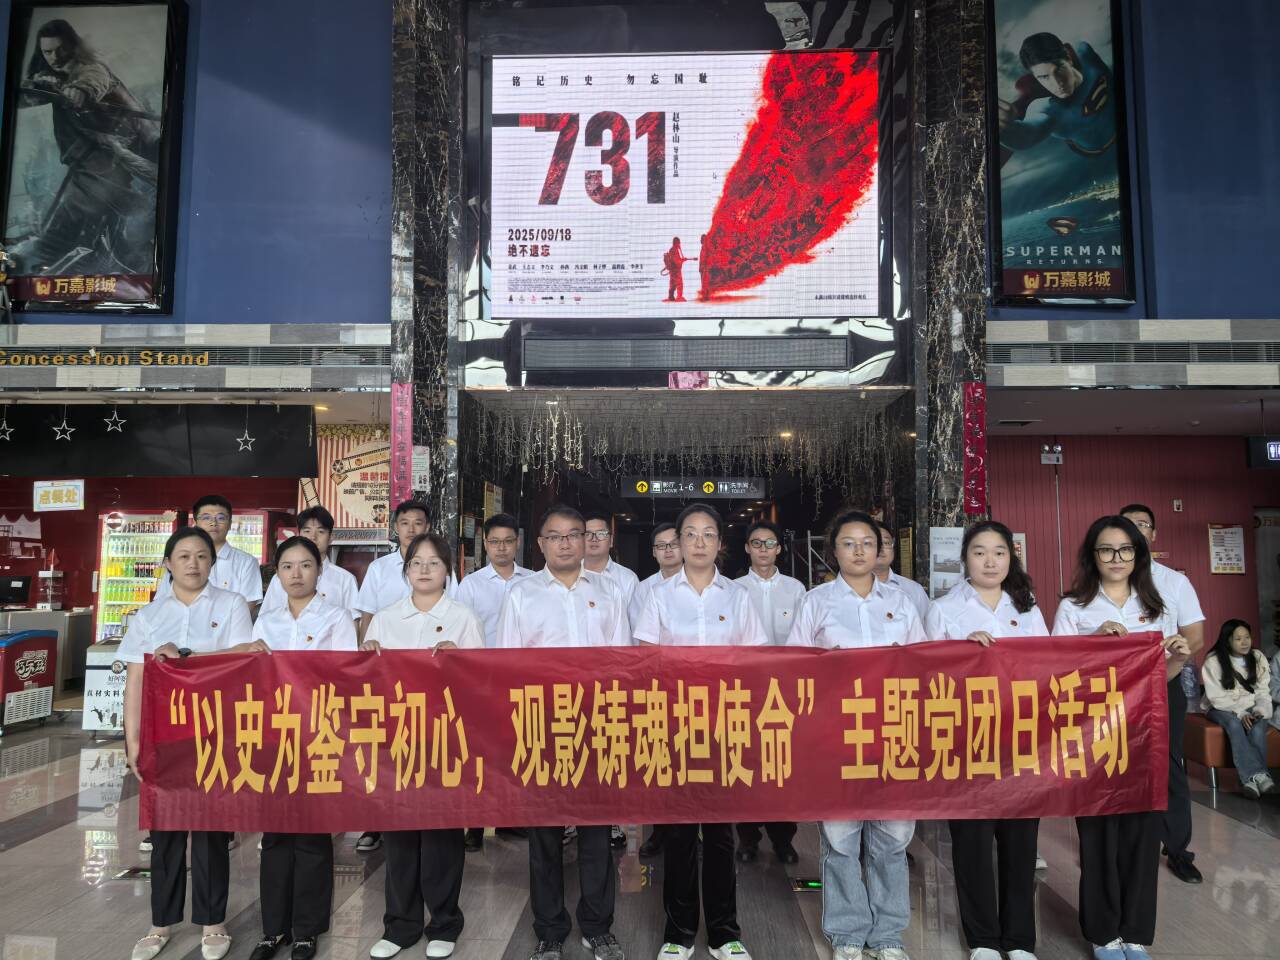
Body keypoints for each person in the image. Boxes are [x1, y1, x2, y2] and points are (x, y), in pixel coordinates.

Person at [787, 509, 926, 960]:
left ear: (880, 549)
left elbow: (924, 666)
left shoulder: (902, 602)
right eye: (849, 543)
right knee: (841, 840)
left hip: (894, 732)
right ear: (834, 551)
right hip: (837, 736)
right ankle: (847, 933)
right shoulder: (816, 602)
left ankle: (887, 934)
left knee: (892, 839)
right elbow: (795, 669)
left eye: (867, 542)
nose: (859, 551)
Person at [1051, 515, 1191, 960]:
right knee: (1098, 834)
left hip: (1144, 735)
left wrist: (1178, 658)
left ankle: (1134, 932)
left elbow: (1158, 676)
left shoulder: (1156, 605)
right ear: (1092, 556)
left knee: (1142, 834)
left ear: (1139, 554)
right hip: (1093, 736)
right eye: (1106, 550)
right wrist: (1094, 640)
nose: (1117, 558)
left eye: (1126, 549)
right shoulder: (1074, 606)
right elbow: (1055, 672)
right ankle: (1102, 933)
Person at [634, 504, 768, 960]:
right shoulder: (658, 596)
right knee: (678, 833)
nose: (698, 542)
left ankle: (725, 933)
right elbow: (646, 661)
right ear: (679, 542)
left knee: (720, 834)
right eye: (689, 534)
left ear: (720, 544)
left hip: (725, 728)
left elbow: (755, 662)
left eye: (707, 534)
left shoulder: (738, 597)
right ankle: (678, 933)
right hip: (674, 727)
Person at [496, 505, 629, 960]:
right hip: (542, 725)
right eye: (555, 536)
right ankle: (550, 929)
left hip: (597, 724)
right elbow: (508, 665)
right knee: (544, 835)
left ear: (587, 540)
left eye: (574, 534)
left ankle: (598, 926)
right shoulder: (521, 594)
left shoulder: (610, 592)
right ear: (540, 544)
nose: (566, 543)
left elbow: (622, 664)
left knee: (596, 833)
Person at [121, 527, 256, 960]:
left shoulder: (230, 604)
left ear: (212, 563)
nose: (193, 563)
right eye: (183, 556)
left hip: (217, 731)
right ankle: (160, 923)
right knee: (165, 832)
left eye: (201, 556)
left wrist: (187, 657)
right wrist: (133, 740)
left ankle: (213, 922)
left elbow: (244, 656)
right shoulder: (148, 616)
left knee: (212, 829)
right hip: (165, 735)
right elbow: (136, 679)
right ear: (168, 564)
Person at [924, 521, 1047, 960]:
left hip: (1021, 741)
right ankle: (982, 940)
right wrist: (962, 653)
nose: (990, 561)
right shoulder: (943, 609)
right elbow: (926, 675)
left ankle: (1019, 940)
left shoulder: (1027, 608)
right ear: (965, 558)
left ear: (1011, 558)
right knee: (972, 844)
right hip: (966, 742)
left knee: (1021, 844)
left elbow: (1048, 667)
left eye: (999, 552)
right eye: (979, 552)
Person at [363, 532, 484, 960]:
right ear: (406, 570)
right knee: (398, 838)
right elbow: (367, 685)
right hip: (395, 741)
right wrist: (366, 656)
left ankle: (445, 923)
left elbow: (483, 683)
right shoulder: (385, 619)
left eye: (434, 562)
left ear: (448, 570)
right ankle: (400, 926)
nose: (425, 570)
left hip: (445, 741)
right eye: (417, 562)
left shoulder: (463, 618)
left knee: (441, 838)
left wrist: (461, 660)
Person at [250, 537, 359, 960]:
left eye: (306, 565)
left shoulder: (337, 617)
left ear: (319, 570)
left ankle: (307, 930)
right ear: (277, 574)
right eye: (287, 567)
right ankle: (272, 928)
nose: (296, 574)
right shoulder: (266, 622)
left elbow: (344, 677)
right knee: (275, 833)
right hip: (275, 737)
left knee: (313, 834)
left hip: (319, 736)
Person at [11, 18, 162, 275]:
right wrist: (31, 89)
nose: (54, 57)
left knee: (64, 230)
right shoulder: (55, 76)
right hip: (97, 162)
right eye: (47, 52)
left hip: (115, 158)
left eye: (60, 49)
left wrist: (81, 90)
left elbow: (93, 80)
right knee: (112, 223)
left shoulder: (90, 69)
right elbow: (29, 96)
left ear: (72, 46)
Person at [353, 499, 446, 853]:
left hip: (430, 682)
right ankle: (377, 824)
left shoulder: (441, 568)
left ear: (428, 526)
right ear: (395, 527)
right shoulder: (380, 569)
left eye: (418, 522)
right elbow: (367, 615)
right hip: (388, 675)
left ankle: (431, 818)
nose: (411, 529)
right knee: (386, 753)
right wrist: (366, 659)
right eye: (404, 522)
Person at [1119, 503, 1205, 885]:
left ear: (1153, 535)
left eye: (1143, 525)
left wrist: (1164, 671)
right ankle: (1117, 847)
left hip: (1163, 683)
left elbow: (1195, 636)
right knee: (1117, 763)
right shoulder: (1105, 579)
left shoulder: (1174, 582)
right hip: (1114, 689)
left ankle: (1178, 849)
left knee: (1168, 764)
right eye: (1128, 525)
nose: (1136, 530)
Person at [451, 512, 532, 851]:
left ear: (518, 543)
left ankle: (510, 818)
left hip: (521, 678)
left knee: (515, 748)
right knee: (479, 752)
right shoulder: (471, 585)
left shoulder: (533, 582)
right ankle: (474, 823)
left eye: (508, 541)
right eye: (495, 542)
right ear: (485, 544)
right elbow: (460, 629)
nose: (501, 548)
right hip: (481, 679)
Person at [733, 519, 804, 866]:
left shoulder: (796, 589)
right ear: (747, 548)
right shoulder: (733, 590)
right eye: (757, 543)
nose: (763, 549)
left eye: (770, 543)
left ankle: (783, 838)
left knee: (781, 766)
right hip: (744, 692)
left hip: (785, 694)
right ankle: (747, 837)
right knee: (745, 764)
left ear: (779, 548)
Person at [631, 522, 684, 861]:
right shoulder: (644, 590)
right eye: (661, 545)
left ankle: (696, 828)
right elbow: (639, 641)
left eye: (673, 544)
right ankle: (660, 832)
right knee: (662, 764)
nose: (668, 550)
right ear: (653, 552)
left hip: (700, 691)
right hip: (657, 689)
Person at [996, 32, 1117, 159]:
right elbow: (1026, 135)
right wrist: (1004, 129)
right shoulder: (1047, 109)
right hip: (1097, 155)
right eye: (1044, 77)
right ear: (1035, 78)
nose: (1057, 83)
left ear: (1069, 58)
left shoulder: (1085, 53)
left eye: (1058, 69)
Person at [1201, 619, 1276, 799]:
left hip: (1252, 705)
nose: (1244, 642)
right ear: (1227, 640)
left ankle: (1251, 781)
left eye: (1247, 637)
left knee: (1257, 726)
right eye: (1238, 639)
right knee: (1234, 725)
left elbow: (1263, 691)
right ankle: (1255, 776)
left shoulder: (1257, 657)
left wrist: (1259, 710)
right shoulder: (1213, 661)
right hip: (1220, 706)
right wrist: (1241, 713)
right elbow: (1217, 697)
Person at [154, 496, 264, 609]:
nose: (213, 523)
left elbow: (245, 609)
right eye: (206, 518)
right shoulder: (178, 560)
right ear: (195, 523)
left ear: (230, 524)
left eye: (221, 518)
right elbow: (161, 604)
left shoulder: (246, 562)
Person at [261, 506, 358, 619]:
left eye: (320, 531)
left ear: (331, 537)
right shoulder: (279, 579)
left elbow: (353, 621)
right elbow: (265, 618)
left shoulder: (345, 579)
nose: (313, 537)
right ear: (299, 534)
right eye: (307, 531)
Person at [584, 512, 640, 618]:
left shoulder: (628, 579)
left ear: (611, 541)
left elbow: (635, 622)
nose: (594, 539)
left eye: (601, 533)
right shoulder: (568, 575)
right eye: (587, 534)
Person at [873, 521, 929, 621]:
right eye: (873, 543)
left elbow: (926, 628)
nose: (881, 548)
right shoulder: (849, 590)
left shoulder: (914, 590)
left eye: (886, 542)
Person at [661, 237, 696, 301]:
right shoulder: (674, 250)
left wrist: (682, 259)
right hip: (676, 271)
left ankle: (671, 297)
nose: (679, 244)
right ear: (676, 243)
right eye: (679, 243)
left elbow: (676, 260)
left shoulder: (672, 250)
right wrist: (682, 260)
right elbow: (676, 262)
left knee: (672, 284)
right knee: (679, 283)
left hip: (672, 271)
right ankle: (679, 297)